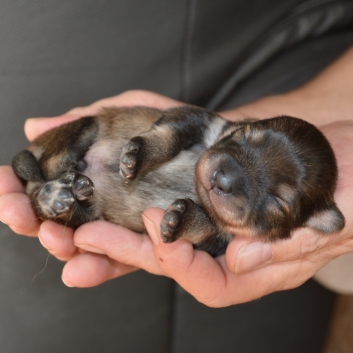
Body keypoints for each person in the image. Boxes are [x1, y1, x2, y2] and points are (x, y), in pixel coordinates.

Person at [1, 1, 353, 352]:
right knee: (76, 139)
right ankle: (46, 179)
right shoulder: (213, 128)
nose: (229, 177)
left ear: (315, 220)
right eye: (246, 139)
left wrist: (187, 222)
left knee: (88, 216)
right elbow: (185, 124)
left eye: (276, 198)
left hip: (95, 198)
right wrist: (152, 145)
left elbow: (205, 237)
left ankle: (51, 199)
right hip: (96, 141)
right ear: (249, 125)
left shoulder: (236, 230)